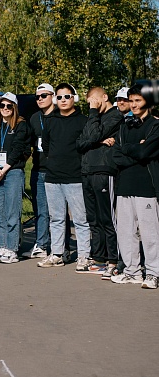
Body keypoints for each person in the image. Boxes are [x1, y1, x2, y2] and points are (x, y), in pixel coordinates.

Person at [38, 83, 91, 271]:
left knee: (80, 219)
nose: (63, 100)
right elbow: (46, 145)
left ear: (74, 98)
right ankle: (57, 254)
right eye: (59, 97)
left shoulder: (83, 120)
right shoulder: (50, 121)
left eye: (66, 97)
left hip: (75, 177)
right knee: (57, 218)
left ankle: (84, 255)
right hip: (52, 177)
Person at [111, 84, 159, 289]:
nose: (133, 104)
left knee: (149, 232)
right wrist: (136, 148)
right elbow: (115, 156)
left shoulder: (155, 126)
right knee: (125, 231)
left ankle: (154, 273)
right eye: (131, 100)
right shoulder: (125, 126)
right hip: (124, 185)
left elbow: (144, 153)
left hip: (146, 186)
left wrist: (130, 150)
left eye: (138, 100)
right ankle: (132, 271)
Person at [76, 87, 123, 278]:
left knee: (107, 218)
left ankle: (113, 259)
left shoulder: (115, 116)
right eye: (89, 103)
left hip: (104, 169)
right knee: (93, 219)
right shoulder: (93, 118)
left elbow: (92, 136)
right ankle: (99, 258)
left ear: (105, 97)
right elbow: (80, 143)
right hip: (87, 170)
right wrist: (99, 141)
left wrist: (94, 112)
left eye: (94, 101)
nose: (92, 105)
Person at [0, 92, 30, 264]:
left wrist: (4, 169)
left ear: (14, 107)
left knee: (12, 212)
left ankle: (12, 249)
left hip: (12, 172)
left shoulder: (20, 126)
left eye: (8, 106)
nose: (4, 109)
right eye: (1, 106)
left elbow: (18, 149)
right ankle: (2, 245)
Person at [23, 83, 55, 259]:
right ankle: (41, 245)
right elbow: (29, 143)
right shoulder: (34, 118)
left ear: (53, 96)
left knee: (57, 212)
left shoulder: (59, 115)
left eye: (44, 95)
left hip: (57, 171)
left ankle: (62, 246)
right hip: (38, 169)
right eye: (38, 97)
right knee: (40, 211)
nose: (41, 99)